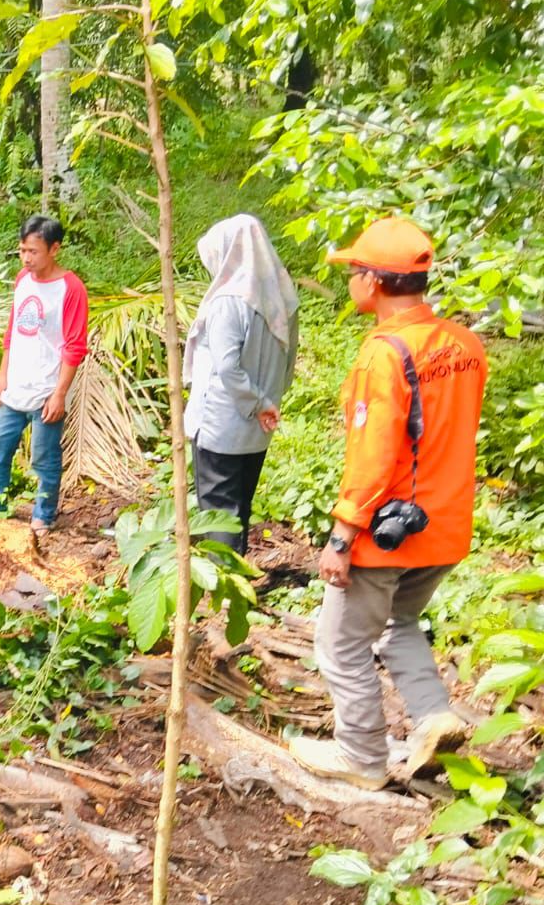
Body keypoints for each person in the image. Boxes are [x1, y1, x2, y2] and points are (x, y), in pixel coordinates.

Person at [287, 217, 487, 789]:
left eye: (354, 271)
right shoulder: (464, 344)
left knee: (340, 642)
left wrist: (342, 536)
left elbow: (376, 456)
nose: (351, 281)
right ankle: (433, 716)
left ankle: (362, 759)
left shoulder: (384, 354)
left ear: (373, 282)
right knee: (400, 621)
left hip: (388, 530)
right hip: (446, 527)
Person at [184, 214, 301, 554]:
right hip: (258, 425)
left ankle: (225, 587)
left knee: (219, 508)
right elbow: (288, 361)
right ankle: (235, 580)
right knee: (239, 504)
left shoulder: (228, 302)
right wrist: (270, 400)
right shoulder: (283, 299)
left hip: (222, 422)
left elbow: (227, 366)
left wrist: (257, 401)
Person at [0, 215, 88, 529]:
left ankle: (43, 515)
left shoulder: (70, 289)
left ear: (54, 249)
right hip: (16, 386)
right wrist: (3, 376)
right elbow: (12, 330)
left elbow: (74, 345)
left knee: (44, 457)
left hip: (46, 391)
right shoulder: (22, 280)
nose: (27, 258)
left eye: (34, 251)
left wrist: (59, 394)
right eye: (22, 251)